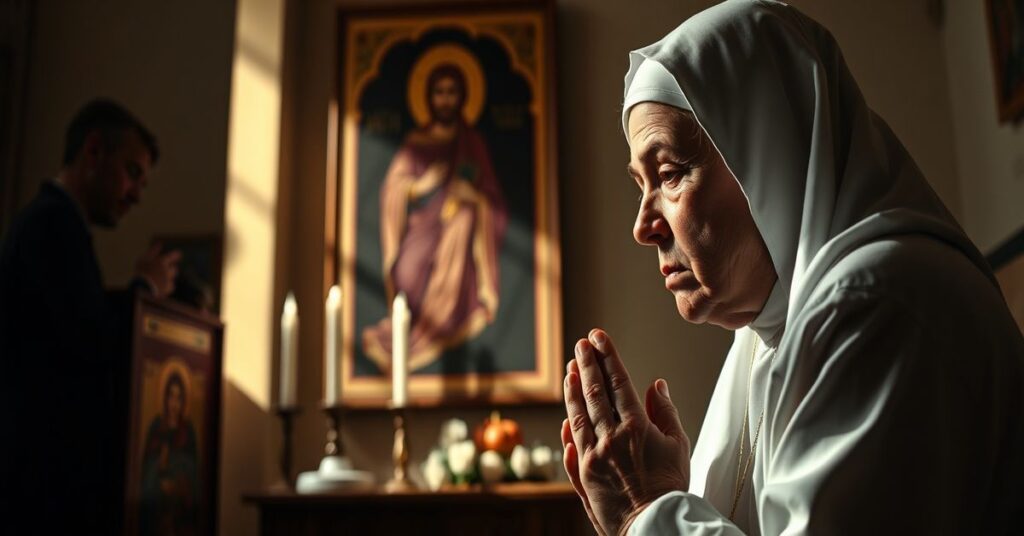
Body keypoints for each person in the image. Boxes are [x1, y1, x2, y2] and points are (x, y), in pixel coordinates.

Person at [559, 1, 1024, 534]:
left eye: (668, 174)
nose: (643, 227)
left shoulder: (876, 303)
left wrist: (647, 511)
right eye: (639, 184)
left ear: (768, 153)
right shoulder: (767, 333)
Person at [0, 98, 179, 534]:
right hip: (39, 487)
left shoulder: (60, 225)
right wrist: (144, 290)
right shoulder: (51, 225)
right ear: (94, 151)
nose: (136, 194)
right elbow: (88, 342)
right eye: (132, 173)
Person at [362, 62, 508, 373]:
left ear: (463, 96)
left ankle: (445, 319)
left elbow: (493, 200)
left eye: (451, 92)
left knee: (465, 217)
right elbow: (393, 188)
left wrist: (475, 199)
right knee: (407, 269)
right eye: (439, 92)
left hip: (458, 237)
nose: (445, 99)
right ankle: (418, 332)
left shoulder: (472, 144)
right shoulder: (416, 142)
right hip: (419, 230)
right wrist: (419, 186)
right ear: (429, 97)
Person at [140, 370, 200, 536]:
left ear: (183, 401)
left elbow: (193, 471)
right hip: (157, 497)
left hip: (180, 499)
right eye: (171, 396)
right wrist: (159, 465)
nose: (174, 403)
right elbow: (147, 471)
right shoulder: (156, 427)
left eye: (179, 398)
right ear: (165, 398)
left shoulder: (188, 431)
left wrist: (178, 483)